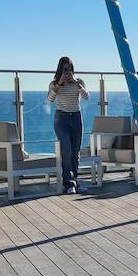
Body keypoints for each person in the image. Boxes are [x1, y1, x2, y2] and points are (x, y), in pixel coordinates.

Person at [47, 56, 89, 192]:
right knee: (66, 149)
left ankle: (75, 180)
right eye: (65, 68)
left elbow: (86, 96)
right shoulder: (54, 83)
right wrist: (58, 84)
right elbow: (50, 99)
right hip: (61, 118)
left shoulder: (79, 81)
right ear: (60, 69)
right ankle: (69, 183)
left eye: (69, 68)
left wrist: (78, 84)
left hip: (76, 117)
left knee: (75, 151)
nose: (67, 71)